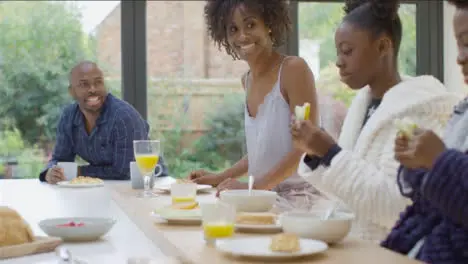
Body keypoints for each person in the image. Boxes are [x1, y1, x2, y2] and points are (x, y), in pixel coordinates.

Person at [291, 0, 461, 241]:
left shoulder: (420, 112)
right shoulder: (364, 106)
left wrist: (330, 152)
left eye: (347, 51)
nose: (339, 61)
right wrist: (316, 153)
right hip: (357, 248)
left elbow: (397, 207)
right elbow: (349, 191)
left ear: (383, 46)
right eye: (338, 51)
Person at [188, 0, 320, 205]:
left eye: (250, 25)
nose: (242, 36)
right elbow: (262, 152)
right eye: (233, 29)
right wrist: (220, 177)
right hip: (265, 198)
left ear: (268, 23)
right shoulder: (247, 81)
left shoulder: (293, 70)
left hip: (301, 200)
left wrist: (252, 188)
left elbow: (306, 147)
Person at [381, 1, 468, 262]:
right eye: (459, 43)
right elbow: (439, 198)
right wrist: (418, 167)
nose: (460, 57)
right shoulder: (462, 112)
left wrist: (437, 160)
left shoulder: (421, 101)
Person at [39, 61, 168, 184]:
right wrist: (50, 172)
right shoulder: (69, 117)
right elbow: (60, 159)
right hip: (104, 185)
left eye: (98, 82)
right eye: (84, 84)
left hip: (149, 185)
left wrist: (77, 171)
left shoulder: (123, 117)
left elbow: (124, 171)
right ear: (71, 91)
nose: (93, 89)